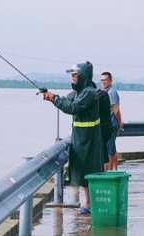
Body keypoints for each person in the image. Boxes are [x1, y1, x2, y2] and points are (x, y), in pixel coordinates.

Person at [43, 61, 104, 215]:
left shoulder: (89, 92)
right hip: (80, 137)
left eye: (75, 75)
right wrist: (52, 97)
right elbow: (67, 101)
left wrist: (54, 98)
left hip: (89, 138)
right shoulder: (79, 92)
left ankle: (90, 203)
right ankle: (87, 202)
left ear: (83, 76)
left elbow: (72, 108)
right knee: (83, 171)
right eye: (72, 75)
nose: (72, 78)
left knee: (89, 172)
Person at [100, 71, 123, 170]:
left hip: (112, 124)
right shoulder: (105, 91)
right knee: (111, 148)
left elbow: (116, 110)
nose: (104, 82)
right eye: (102, 80)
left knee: (110, 150)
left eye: (105, 80)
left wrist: (119, 123)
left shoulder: (112, 92)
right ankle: (114, 170)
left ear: (110, 80)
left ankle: (110, 171)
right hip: (107, 124)